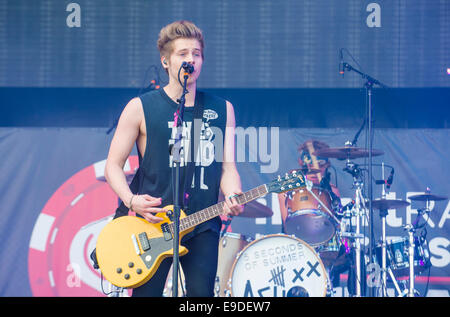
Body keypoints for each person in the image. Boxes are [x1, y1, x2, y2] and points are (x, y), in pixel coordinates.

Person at [104, 20, 243, 297]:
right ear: (166, 61)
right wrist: (132, 201)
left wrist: (233, 193)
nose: (190, 59)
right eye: (182, 54)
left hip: (203, 222)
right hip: (153, 223)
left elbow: (228, 168)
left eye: (196, 53)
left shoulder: (221, 109)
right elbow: (112, 167)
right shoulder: (140, 108)